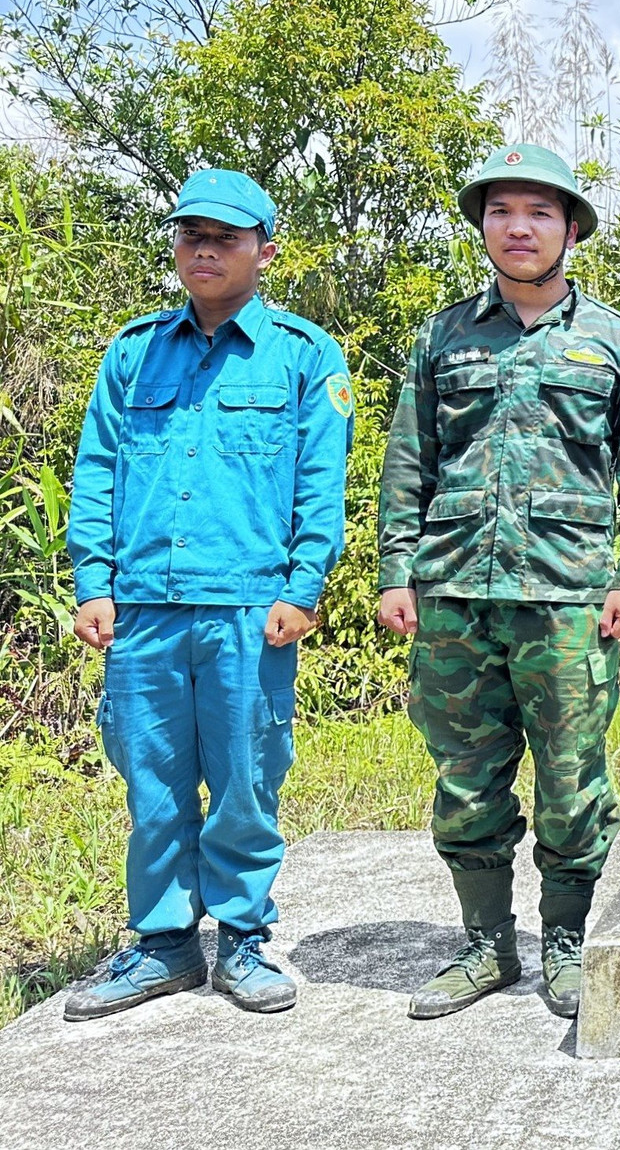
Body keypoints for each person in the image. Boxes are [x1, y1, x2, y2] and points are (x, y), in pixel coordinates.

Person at [377, 144, 620, 1021]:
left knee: (573, 780)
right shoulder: (442, 336)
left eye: (539, 213)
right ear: (483, 227)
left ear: (570, 229)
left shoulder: (618, 343)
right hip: (456, 593)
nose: (519, 227)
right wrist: (398, 569)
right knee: (466, 782)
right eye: (502, 212)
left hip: (570, 597)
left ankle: (566, 943)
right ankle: (485, 946)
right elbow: (409, 458)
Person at [65, 169, 353, 1019]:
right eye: (192, 234)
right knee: (151, 784)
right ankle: (161, 947)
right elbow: (98, 473)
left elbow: (318, 484)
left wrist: (304, 586)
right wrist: (93, 581)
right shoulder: (133, 352)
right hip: (145, 608)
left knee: (244, 781)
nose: (204, 249)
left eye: (225, 238)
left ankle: (244, 941)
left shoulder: (303, 357)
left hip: (247, 609)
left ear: (264, 251)